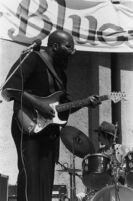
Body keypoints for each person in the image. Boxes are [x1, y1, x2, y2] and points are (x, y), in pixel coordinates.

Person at [1, 30, 101, 201]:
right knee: (30, 176)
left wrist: (85, 103)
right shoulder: (33, 58)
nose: (72, 52)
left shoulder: (61, 74)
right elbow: (10, 88)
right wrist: (39, 104)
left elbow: (61, 108)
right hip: (28, 126)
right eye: (69, 47)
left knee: (46, 180)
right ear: (55, 46)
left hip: (49, 132)